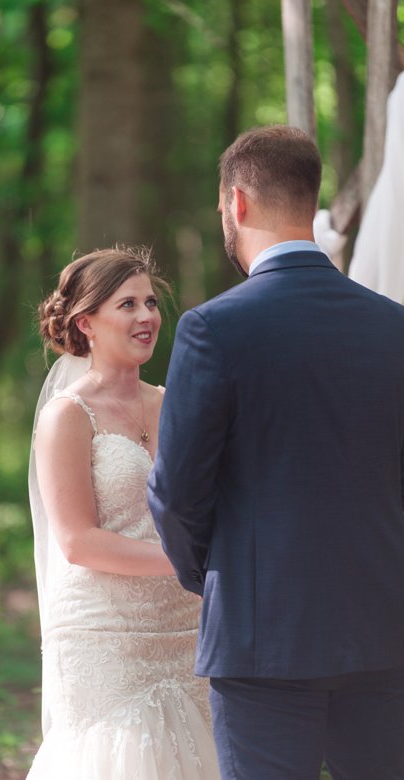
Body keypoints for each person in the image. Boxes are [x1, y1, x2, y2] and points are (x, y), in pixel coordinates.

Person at [148, 125, 404, 778]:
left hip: (261, 634)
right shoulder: (393, 327)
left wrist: (217, 575)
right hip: (383, 626)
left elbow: (177, 494)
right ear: (308, 196)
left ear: (236, 203)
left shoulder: (213, 328)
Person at [27, 247, 219, 778]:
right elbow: (76, 541)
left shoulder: (175, 403)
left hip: (185, 624)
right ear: (86, 322)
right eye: (127, 304)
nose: (146, 317)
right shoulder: (67, 416)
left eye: (151, 302)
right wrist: (185, 560)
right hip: (104, 633)